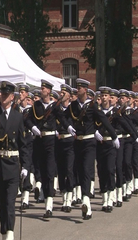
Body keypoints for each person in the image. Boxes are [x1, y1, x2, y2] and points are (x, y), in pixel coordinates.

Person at [63, 78, 119, 220]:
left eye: (80, 88)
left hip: (89, 142)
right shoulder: (73, 106)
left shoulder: (93, 106)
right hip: (78, 142)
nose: (78, 90)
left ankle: (86, 201)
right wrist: (68, 126)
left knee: (88, 170)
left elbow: (104, 120)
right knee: (79, 171)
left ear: (86, 90)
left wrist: (114, 136)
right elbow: (61, 116)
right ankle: (84, 197)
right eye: (77, 88)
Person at [0, 81, 30, 240]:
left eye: (5, 94)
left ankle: (10, 235)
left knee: (10, 203)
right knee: (2, 204)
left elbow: (23, 144)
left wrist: (25, 166)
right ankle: (4, 233)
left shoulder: (18, 117)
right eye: (0, 93)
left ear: (12, 97)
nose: (2, 96)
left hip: (12, 164)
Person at [25, 79, 74, 218]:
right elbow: (28, 120)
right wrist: (33, 128)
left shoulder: (54, 106)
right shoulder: (37, 106)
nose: (42, 91)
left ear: (49, 91)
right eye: (41, 88)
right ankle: (46, 197)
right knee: (42, 170)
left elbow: (62, 119)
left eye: (44, 89)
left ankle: (49, 205)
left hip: (51, 141)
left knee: (50, 171)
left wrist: (69, 127)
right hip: (40, 140)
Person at [55, 84, 75, 213]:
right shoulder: (56, 109)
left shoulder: (73, 109)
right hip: (58, 140)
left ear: (69, 95)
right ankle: (63, 195)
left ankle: (69, 196)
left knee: (69, 169)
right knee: (61, 170)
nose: (61, 94)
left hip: (70, 141)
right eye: (61, 92)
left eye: (64, 93)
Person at [15, 84, 35, 210]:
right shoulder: (15, 109)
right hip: (17, 140)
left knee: (26, 165)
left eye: (23, 92)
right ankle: (20, 189)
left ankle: (25, 197)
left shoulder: (31, 110)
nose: (21, 94)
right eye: (20, 92)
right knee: (18, 166)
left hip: (28, 139)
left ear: (27, 95)